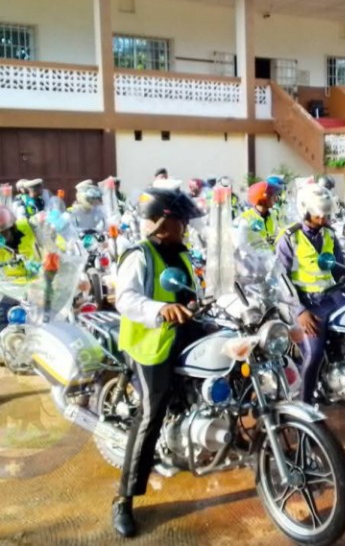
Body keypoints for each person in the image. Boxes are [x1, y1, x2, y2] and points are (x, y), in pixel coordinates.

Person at [111, 186, 205, 537]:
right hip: (149, 341)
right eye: (182, 221)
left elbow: (192, 292)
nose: (186, 227)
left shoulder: (181, 253)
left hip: (181, 332)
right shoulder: (140, 255)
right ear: (162, 223)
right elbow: (126, 299)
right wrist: (160, 309)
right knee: (151, 413)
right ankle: (123, 499)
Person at [275, 183, 345, 405]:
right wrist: (300, 311)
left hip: (332, 298)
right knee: (315, 353)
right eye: (320, 214)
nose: (325, 218)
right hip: (306, 304)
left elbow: (339, 269)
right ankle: (304, 404)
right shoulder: (289, 238)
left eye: (327, 213)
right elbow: (281, 278)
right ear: (305, 211)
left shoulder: (329, 234)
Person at [238, 181, 281, 247]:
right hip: (255, 256)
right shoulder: (246, 219)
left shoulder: (272, 214)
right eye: (272, 196)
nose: (275, 199)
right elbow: (242, 246)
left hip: (272, 255)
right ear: (262, 198)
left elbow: (276, 236)